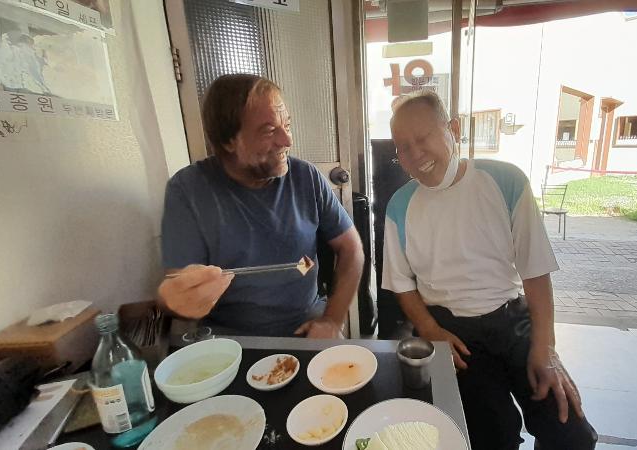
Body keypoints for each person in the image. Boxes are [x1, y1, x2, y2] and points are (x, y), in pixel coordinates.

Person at [382, 91, 597, 449]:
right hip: (453, 332)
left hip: (513, 320)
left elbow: (535, 272)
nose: (414, 154)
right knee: (492, 437)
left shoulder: (505, 181)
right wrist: (431, 329)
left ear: (452, 129)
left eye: (423, 138)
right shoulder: (399, 206)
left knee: (569, 430)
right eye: (402, 147)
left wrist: (545, 347)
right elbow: (402, 285)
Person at [157, 74, 363, 338]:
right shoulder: (188, 190)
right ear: (228, 140)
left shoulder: (306, 177)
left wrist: (332, 320)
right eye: (269, 131)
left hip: (308, 325)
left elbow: (352, 248)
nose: (287, 141)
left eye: (286, 125)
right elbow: (177, 291)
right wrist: (171, 301)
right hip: (228, 339)